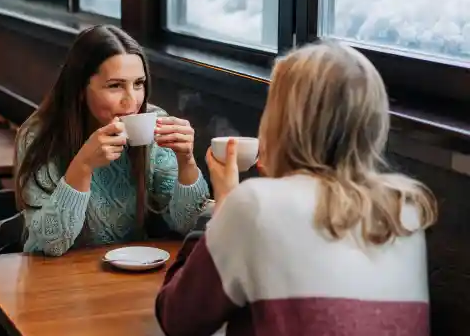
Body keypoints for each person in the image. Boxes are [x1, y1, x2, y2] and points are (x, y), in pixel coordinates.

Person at [155, 41, 437, 335]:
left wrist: (220, 208)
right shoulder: (406, 209)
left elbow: (176, 318)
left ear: (283, 121)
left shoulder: (256, 206)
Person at [14, 25, 210, 256]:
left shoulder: (155, 123)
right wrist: (83, 165)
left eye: (138, 83)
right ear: (80, 89)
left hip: (130, 273)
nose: (132, 101)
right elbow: (50, 244)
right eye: (115, 86)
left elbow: (187, 224)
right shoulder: (39, 136)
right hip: (53, 278)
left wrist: (186, 161)